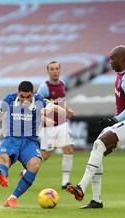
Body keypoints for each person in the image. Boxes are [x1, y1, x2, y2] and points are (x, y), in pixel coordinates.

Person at [65, 45, 125, 209]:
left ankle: (81, 187)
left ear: (123, 59)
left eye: (113, 59)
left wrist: (114, 120)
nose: (110, 62)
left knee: (99, 144)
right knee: (98, 151)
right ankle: (96, 200)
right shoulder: (122, 75)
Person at [0, 81, 66, 208]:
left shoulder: (40, 100)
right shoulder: (9, 99)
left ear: (32, 94)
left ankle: (12, 199)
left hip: (30, 142)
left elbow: (62, 113)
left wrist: (51, 108)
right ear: (18, 93)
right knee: (3, 159)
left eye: (28, 97)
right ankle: (1, 174)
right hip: (11, 139)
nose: (25, 100)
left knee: (34, 165)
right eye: (22, 96)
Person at [21, 61, 75, 189]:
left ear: (60, 70)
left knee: (68, 149)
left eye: (57, 68)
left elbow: (60, 102)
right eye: (52, 69)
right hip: (48, 127)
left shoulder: (62, 84)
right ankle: (26, 171)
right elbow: (37, 104)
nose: (55, 71)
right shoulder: (44, 87)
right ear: (48, 71)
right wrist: (45, 119)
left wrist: (68, 110)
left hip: (62, 123)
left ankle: (65, 182)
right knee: (45, 154)